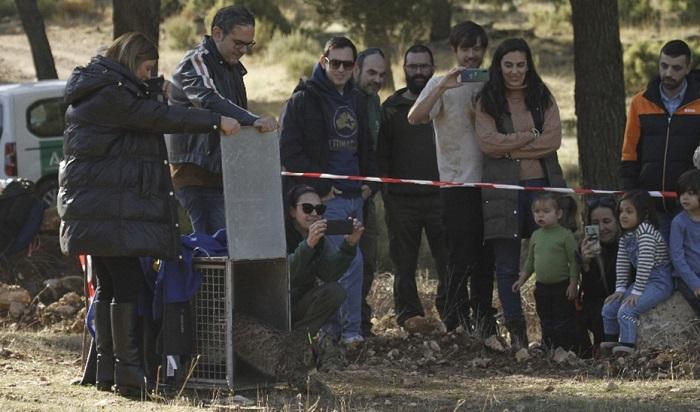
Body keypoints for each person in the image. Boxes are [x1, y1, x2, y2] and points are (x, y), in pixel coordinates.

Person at [59, 32, 239, 396]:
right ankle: (129, 376)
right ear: (131, 61)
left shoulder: (99, 91)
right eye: (147, 68)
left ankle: (108, 370)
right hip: (110, 211)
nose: (148, 74)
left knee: (111, 284)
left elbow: (146, 112)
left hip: (97, 210)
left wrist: (153, 89)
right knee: (125, 284)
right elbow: (156, 117)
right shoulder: (111, 96)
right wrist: (214, 120)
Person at [280, 36, 379, 345]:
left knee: (353, 262)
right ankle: (345, 335)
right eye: (334, 62)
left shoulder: (358, 99)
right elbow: (289, 152)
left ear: (355, 67)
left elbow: (366, 146)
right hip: (328, 198)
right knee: (346, 263)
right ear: (323, 61)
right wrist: (321, 189)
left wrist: (368, 184)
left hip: (355, 195)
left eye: (347, 64)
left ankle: (339, 333)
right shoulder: (304, 99)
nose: (340, 69)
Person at [475, 37, 566, 350]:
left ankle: (556, 334)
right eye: (508, 65)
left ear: (529, 65)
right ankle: (518, 335)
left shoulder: (542, 96)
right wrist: (529, 137)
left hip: (542, 186)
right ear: (499, 66)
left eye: (520, 65)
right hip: (503, 189)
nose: (515, 71)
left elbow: (552, 141)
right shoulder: (487, 99)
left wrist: (509, 147)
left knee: (552, 258)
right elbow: (487, 143)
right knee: (506, 266)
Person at [407, 21, 496, 335]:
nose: (472, 55)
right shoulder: (438, 82)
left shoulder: (491, 81)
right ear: (455, 50)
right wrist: (443, 86)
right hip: (456, 182)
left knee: (487, 256)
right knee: (460, 254)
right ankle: (456, 320)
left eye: (477, 48)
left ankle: (485, 320)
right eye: (465, 49)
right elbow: (415, 117)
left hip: (492, 182)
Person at [165, 5, 278, 235]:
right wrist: (252, 120)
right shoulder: (196, 61)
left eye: (249, 44)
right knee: (212, 249)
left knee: (227, 246)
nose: (244, 50)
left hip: (222, 171)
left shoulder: (231, 67)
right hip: (193, 172)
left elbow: (233, 110)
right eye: (238, 43)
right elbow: (209, 100)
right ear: (217, 33)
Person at [376, 44, 448, 328]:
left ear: (433, 69)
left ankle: (451, 312)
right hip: (401, 201)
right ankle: (408, 316)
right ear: (404, 70)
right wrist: (387, 194)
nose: (418, 72)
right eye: (413, 67)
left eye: (424, 66)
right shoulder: (391, 108)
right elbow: (382, 154)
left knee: (448, 261)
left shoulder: (444, 103)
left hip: (441, 198)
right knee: (403, 263)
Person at [620, 40, 700, 242]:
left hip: (690, 203)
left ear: (688, 68)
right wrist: (630, 190)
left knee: (689, 264)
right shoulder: (640, 102)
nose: (668, 73)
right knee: (656, 265)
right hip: (651, 202)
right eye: (664, 66)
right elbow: (629, 151)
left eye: (676, 68)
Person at [600, 190, 674, 357]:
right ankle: (609, 344)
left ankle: (626, 348)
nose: (623, 216)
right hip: (643, 281)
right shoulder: (626, 236)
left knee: (627, 311)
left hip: (658, 281)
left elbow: (645, 264)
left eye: (629, 211)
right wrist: (619, 289)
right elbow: (622, 263)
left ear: (644, 213)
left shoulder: (646, 233)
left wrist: (637, 292)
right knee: (610, 307)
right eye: (621, 211)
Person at [286, 185, 364, 337]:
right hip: (277, 302)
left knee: (335, 291)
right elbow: (285, 275)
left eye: (320, 209)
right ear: (292, 211)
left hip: (301, 302)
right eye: (307, 208)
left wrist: (349, 245)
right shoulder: (281, 234)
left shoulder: (318, 237)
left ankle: (299, 338)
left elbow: (329, 274)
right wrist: (308, 245)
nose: (314, 214)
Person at [512, 193, 578, 351]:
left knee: (562, 319)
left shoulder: (566, 235)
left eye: (546, 211)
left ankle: (565, 349)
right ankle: (548, 346)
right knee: (545, 319)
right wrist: (522, 279)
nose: (541, 215)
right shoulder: (535, 236)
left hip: (562, 287)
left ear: (558, 213)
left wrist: (573, 283)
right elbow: (530, 261)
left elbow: (575, 261)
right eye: (537, 211)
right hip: (541, 287)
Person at [353, 47, 387, 337]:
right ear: (356, 70)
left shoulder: (375, 101)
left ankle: (361, 324)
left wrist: (371, 185)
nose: (376, 80)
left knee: (368, 258)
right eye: (371, 73)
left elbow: (377, 152)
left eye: (382, 75)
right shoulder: (343, 100)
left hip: (367, 194)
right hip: (337, 195)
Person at [577, 195, 623, 357]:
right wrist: (586, 264)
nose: (602, 228)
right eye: (595, 224)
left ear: (617, 220)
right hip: (599, 307)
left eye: (607, 221)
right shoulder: (588, 248)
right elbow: (591, 293)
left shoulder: (628, 244)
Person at [670, 169, 700, 315]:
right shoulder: (678, 222)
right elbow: (677, 258)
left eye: (691, 193)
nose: (685, 198)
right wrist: (695, 284)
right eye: (682, 193)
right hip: (686, 277)